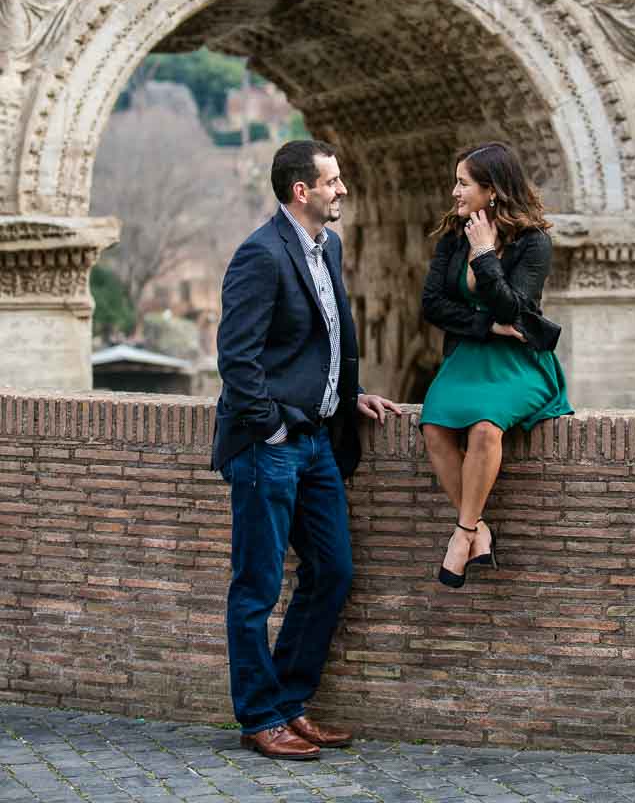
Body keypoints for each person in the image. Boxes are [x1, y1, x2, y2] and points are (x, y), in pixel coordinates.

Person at [214, 140, 399, 760]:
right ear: (302, 190)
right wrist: (270, 427)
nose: (342, 188)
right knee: (256, 586)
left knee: (332, 571)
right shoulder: (260, 255)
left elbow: (322, 341)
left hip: (319, 443)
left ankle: (289, 705)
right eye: (333, 180)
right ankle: (259, 717)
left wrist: (349, 398)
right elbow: (237, 358)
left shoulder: (329, 247)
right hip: (271, 445)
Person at [420, 141, 572, 589]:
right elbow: (433, 305)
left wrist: (486, 255)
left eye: (463, 183)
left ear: (493, 190)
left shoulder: (534, 242)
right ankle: (479, 528)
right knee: (433, 427)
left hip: (519, 362)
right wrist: (485, 327)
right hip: (471, 353)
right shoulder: (452, 236)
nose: (454, 192)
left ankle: (462, 534)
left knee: (486, 428)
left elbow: (516, 309)